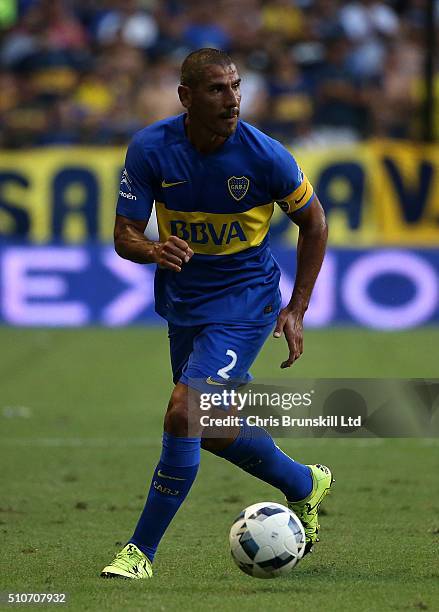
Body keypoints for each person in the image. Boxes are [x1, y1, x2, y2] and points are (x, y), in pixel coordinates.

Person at [101, 48, 333, 580]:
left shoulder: (266, 156)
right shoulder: (151, 149)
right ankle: (304, 484)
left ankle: (139, 553)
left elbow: (315, 224)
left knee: (184, 411)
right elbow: (124, 236)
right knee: (207, 426)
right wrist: (154, 249)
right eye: (216, 90)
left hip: (246, 300)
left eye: (235, 87)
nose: (232, 100)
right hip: (185, 301)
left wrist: (295, 309)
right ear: (185, 97)